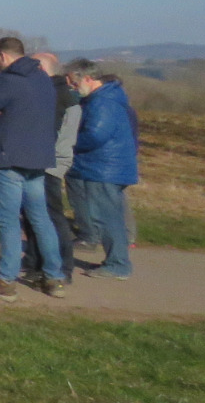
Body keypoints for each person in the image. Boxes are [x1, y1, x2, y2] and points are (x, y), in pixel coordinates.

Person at [0, 36, 68, 301]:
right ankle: (55, 277)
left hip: (9, 156)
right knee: (40, 218)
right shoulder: (43, 79)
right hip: (38, 157)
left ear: (2, 56)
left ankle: (5, 279)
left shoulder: (7, 81)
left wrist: (0, 111)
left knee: (8, 220)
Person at [66, 58, 139, 280]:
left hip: (103, 168)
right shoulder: (106, 98)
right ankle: (116, 260)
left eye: (75, 83)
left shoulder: (102, 102)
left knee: (107, 218)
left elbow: (96, 134)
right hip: (107, 166)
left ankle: (118, 264)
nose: (74, 88)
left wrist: (70, 143)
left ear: (87, 78)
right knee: (110, 216)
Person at [21, 52, 78, 288]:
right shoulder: (50, 92)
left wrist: (56, 164)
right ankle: (35, 263)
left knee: (52, 216)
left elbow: (60, 134)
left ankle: (63, 268)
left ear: (42, 69)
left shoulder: (59, 95)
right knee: (33, 215)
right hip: (37, 160)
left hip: (48, 162)